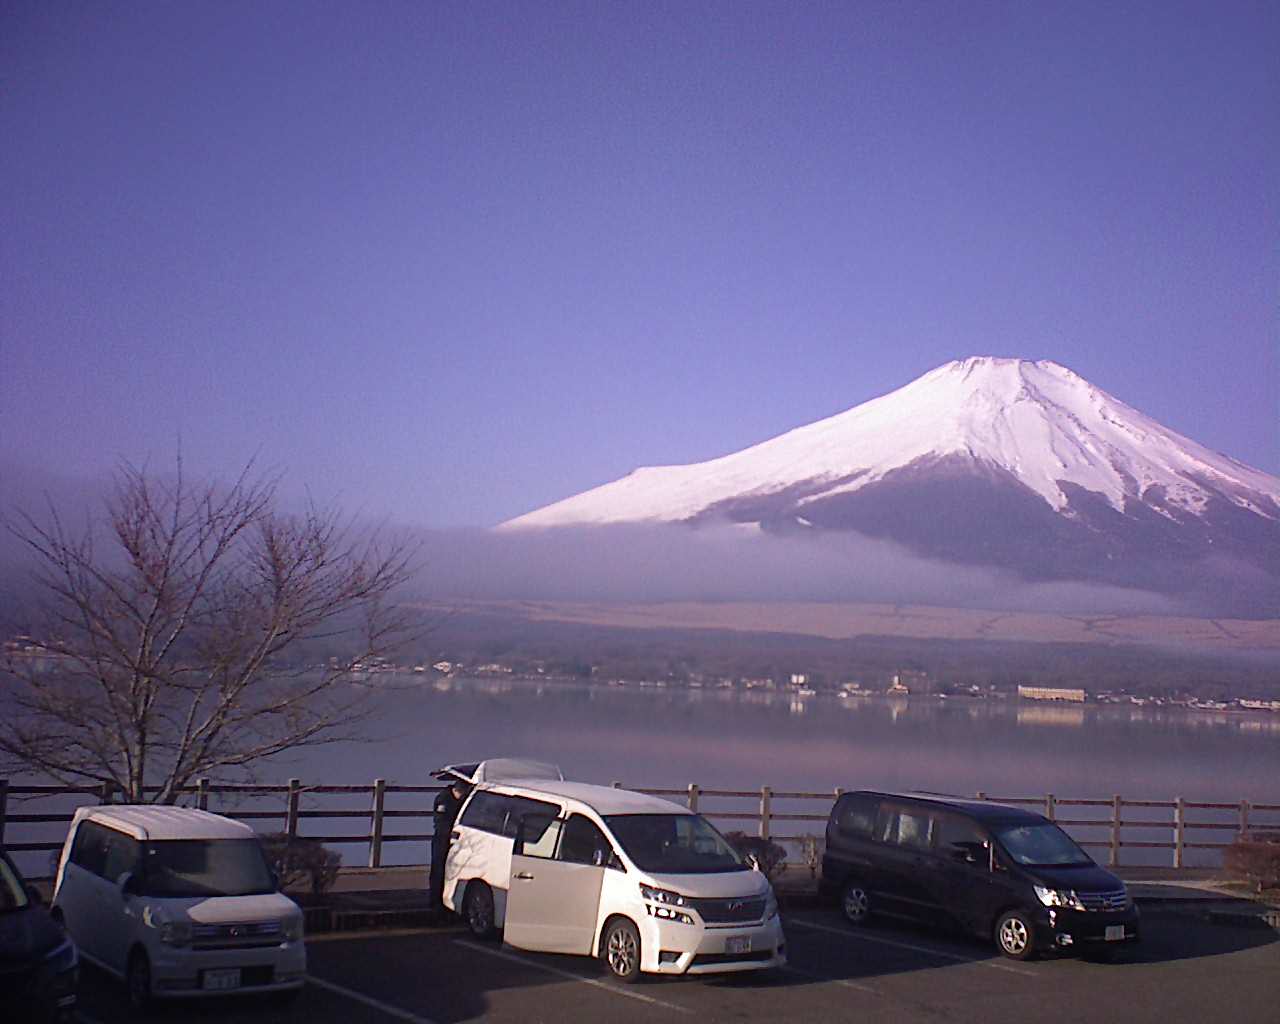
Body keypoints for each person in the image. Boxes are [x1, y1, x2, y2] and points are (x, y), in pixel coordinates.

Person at [429, 778, 470, 912]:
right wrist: (451, 832)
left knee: (455, 870)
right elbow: (440, 822)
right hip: (442, 839)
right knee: (439, 869)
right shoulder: (443, 798)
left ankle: (448, 901)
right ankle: (435, 901)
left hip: (458, 840)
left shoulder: (464, 800)